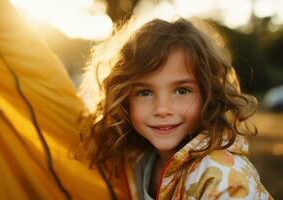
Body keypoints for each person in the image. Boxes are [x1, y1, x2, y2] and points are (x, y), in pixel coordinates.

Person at [77, 18, 273, 199]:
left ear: (208, 93)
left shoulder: (225, 178)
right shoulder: (140, 162)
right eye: (145, 92)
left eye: (181, 90)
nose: (162, 109)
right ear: (124, 100)